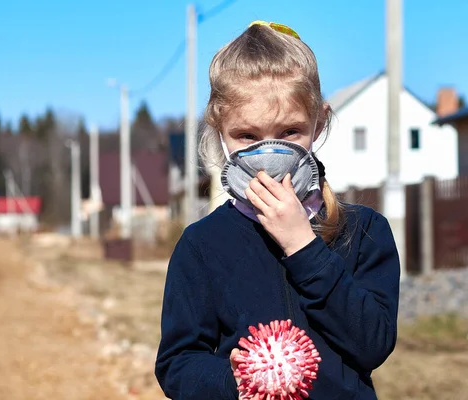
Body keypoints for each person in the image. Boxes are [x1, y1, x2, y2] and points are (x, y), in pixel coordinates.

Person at [154, 20, 400, 400]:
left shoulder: (363, 231)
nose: (269, 157)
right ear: (220, 129)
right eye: (247, 136)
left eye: (289, 132)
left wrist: (305, 246)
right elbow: (176, 363)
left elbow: (374, 344)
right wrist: (227, 379)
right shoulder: (201, 244)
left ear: (319, 122)